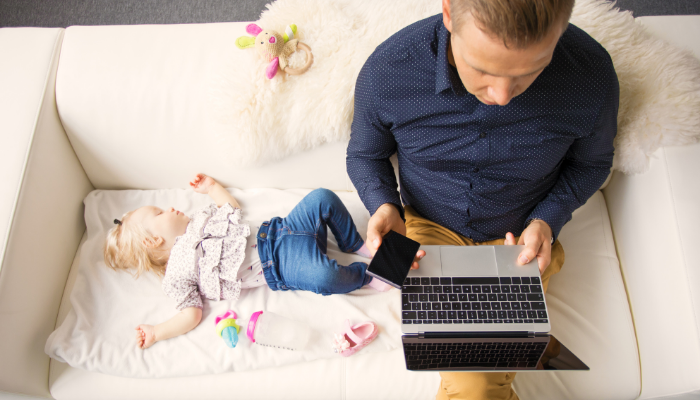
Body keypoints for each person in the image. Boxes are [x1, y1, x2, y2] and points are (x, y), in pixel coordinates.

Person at [347, 0, 618, 398]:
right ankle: (526, 341)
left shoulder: (590, 76)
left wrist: (547, 219)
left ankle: (523, 339)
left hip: (522, 239)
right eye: (485, 70)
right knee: (476, 379)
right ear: (449, 14)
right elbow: (365, 155)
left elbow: (593, 163)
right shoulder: (389, 71)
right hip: (428, 232)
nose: (503, 95)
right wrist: (384, 205)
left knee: (476, 380)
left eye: (530, 71)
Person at [104, 174, 389, 349]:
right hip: (281, 265)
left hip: (282, 228)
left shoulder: (200, 220)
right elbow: (189, 315)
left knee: (322, 197)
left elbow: (230, 208)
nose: (170, 208)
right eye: (159, 213)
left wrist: (212, 187)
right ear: (152, 242)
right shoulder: (177, 275)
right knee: (324, 277)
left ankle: (355, 243)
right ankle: (366, 276)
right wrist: (156, 332)